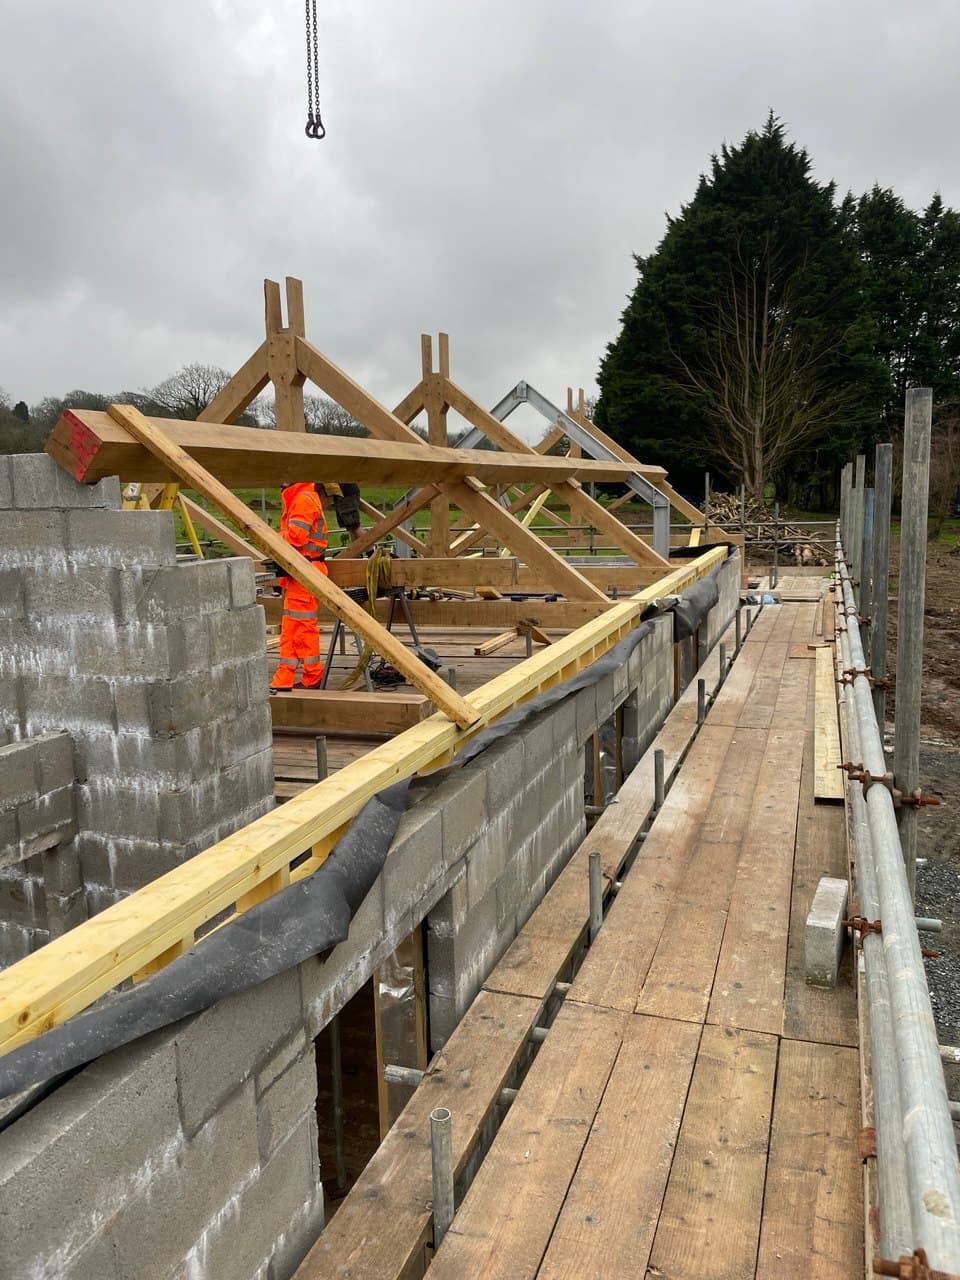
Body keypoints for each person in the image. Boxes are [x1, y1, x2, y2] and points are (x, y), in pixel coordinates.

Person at [269, 481, 328, 692]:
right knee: (291, 628)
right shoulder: (300, 497)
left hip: (305, 572)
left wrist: (270, 537)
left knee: (303, 628)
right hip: (300, 573)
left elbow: (296, 537)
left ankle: (312, 676)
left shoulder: (303, 499)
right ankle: (284, 677)